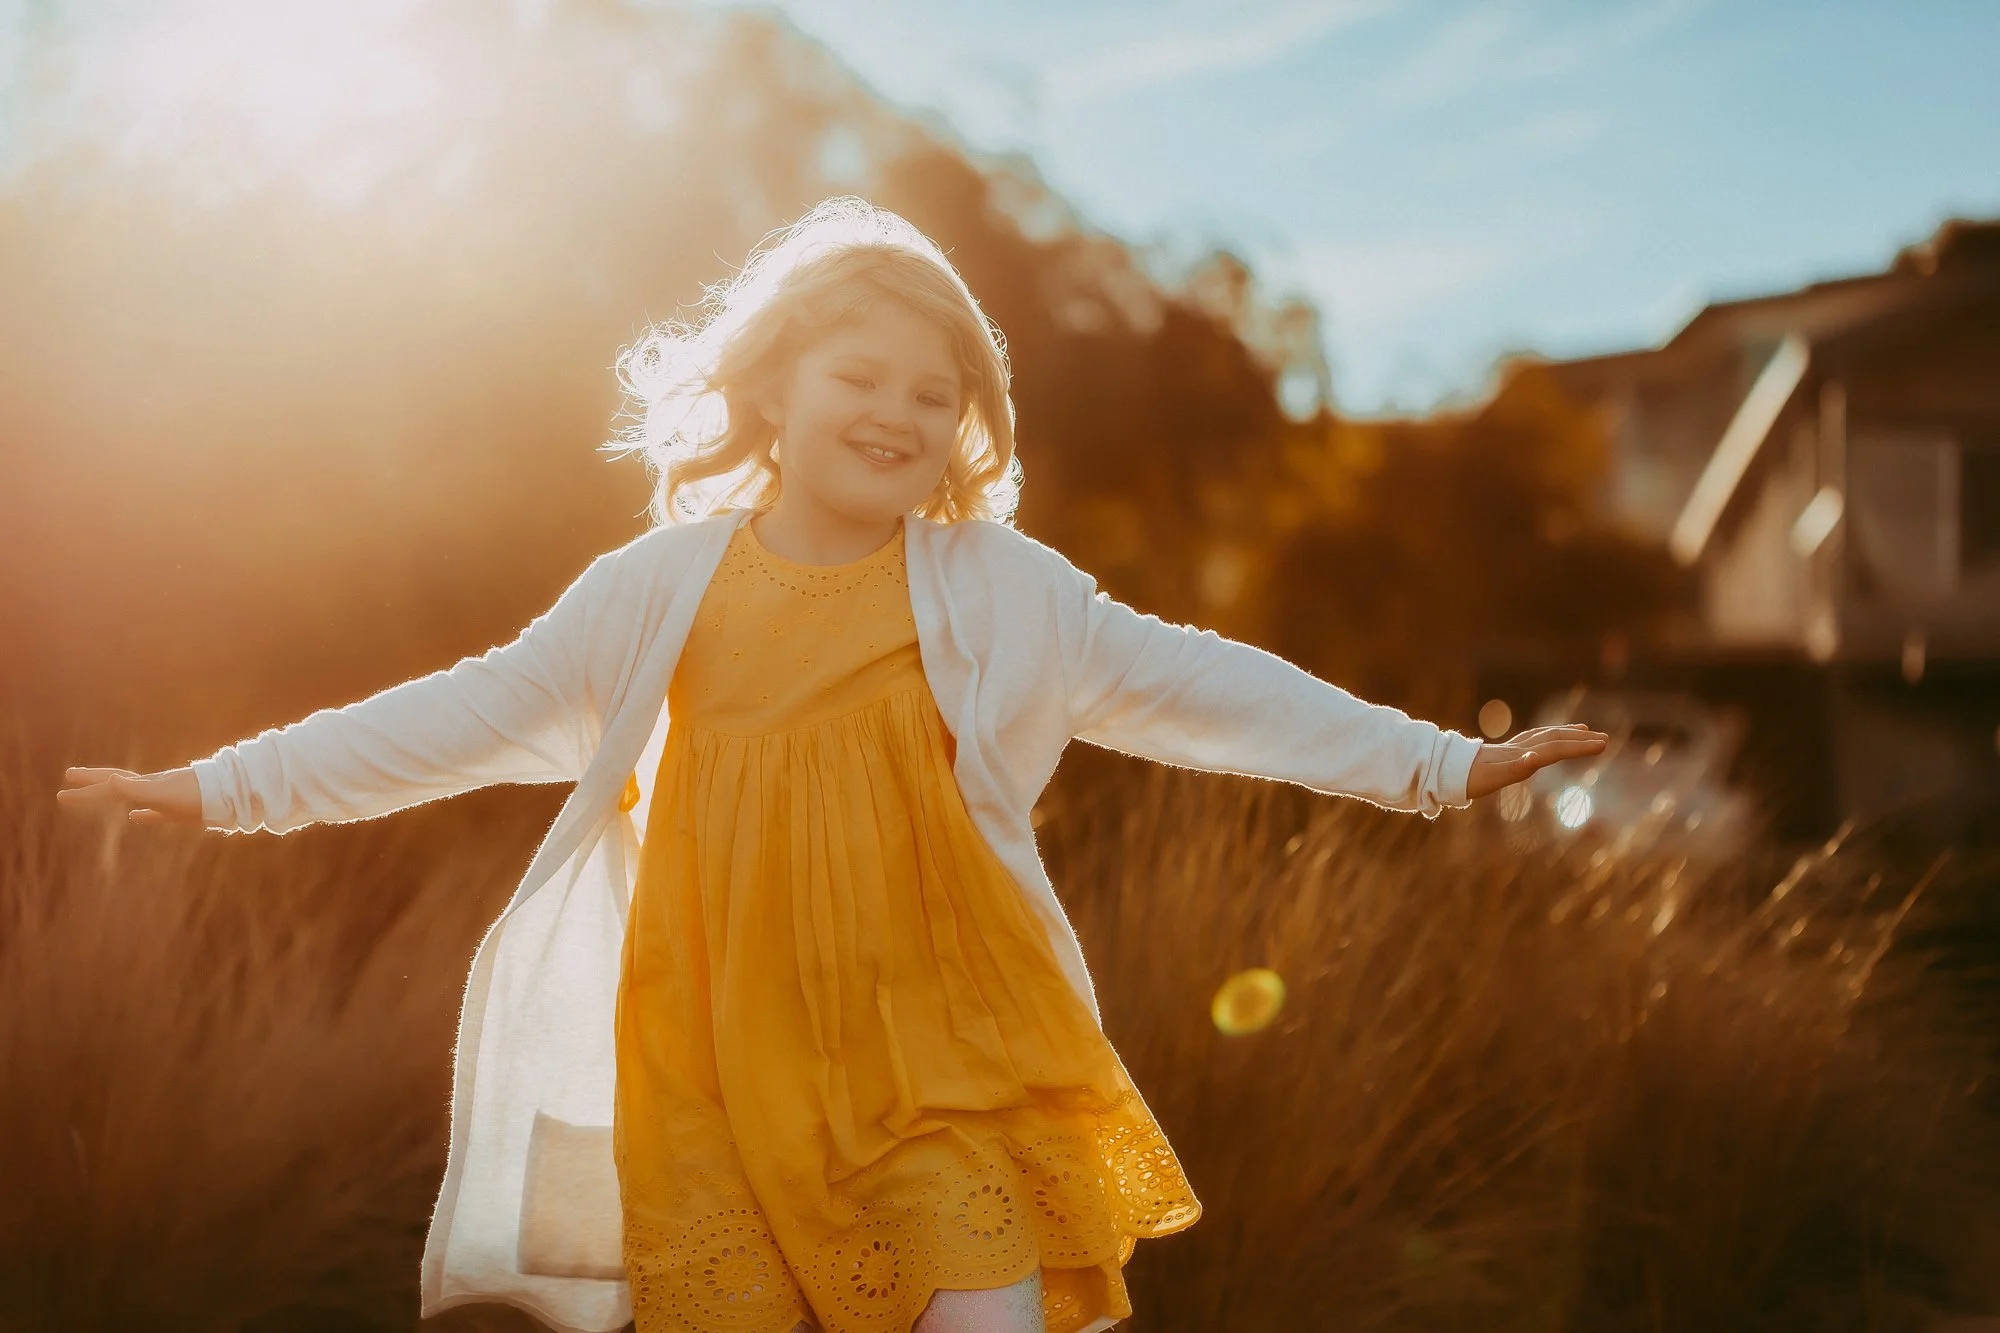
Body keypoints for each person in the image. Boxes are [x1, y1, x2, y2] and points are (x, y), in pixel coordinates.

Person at [58, 197, 1608, 1333]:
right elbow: (454, 715)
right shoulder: (654, 593)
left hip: (950, 1058)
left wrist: (1436, 767)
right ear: (777, 391)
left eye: (937, 399)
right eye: (864, 377)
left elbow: (1205, 687)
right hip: (718, 1067)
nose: (900, 416)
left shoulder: (999, 591)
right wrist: (219, 788)